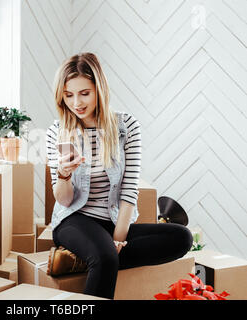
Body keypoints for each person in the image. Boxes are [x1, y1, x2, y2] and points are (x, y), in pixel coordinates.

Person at [45, 52, 193, 299]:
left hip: (114, 221)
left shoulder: (127, 127)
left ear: (99, 89)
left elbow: (129, 189)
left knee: (182, 237)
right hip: (74, 219)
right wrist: (63, 175)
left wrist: (118, 240)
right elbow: (64, 200)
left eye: (84, 93)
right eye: (68, 95)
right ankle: (98, 257)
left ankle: (88, 258)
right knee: (105, 258)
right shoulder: (57, 132)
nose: (76, 103)